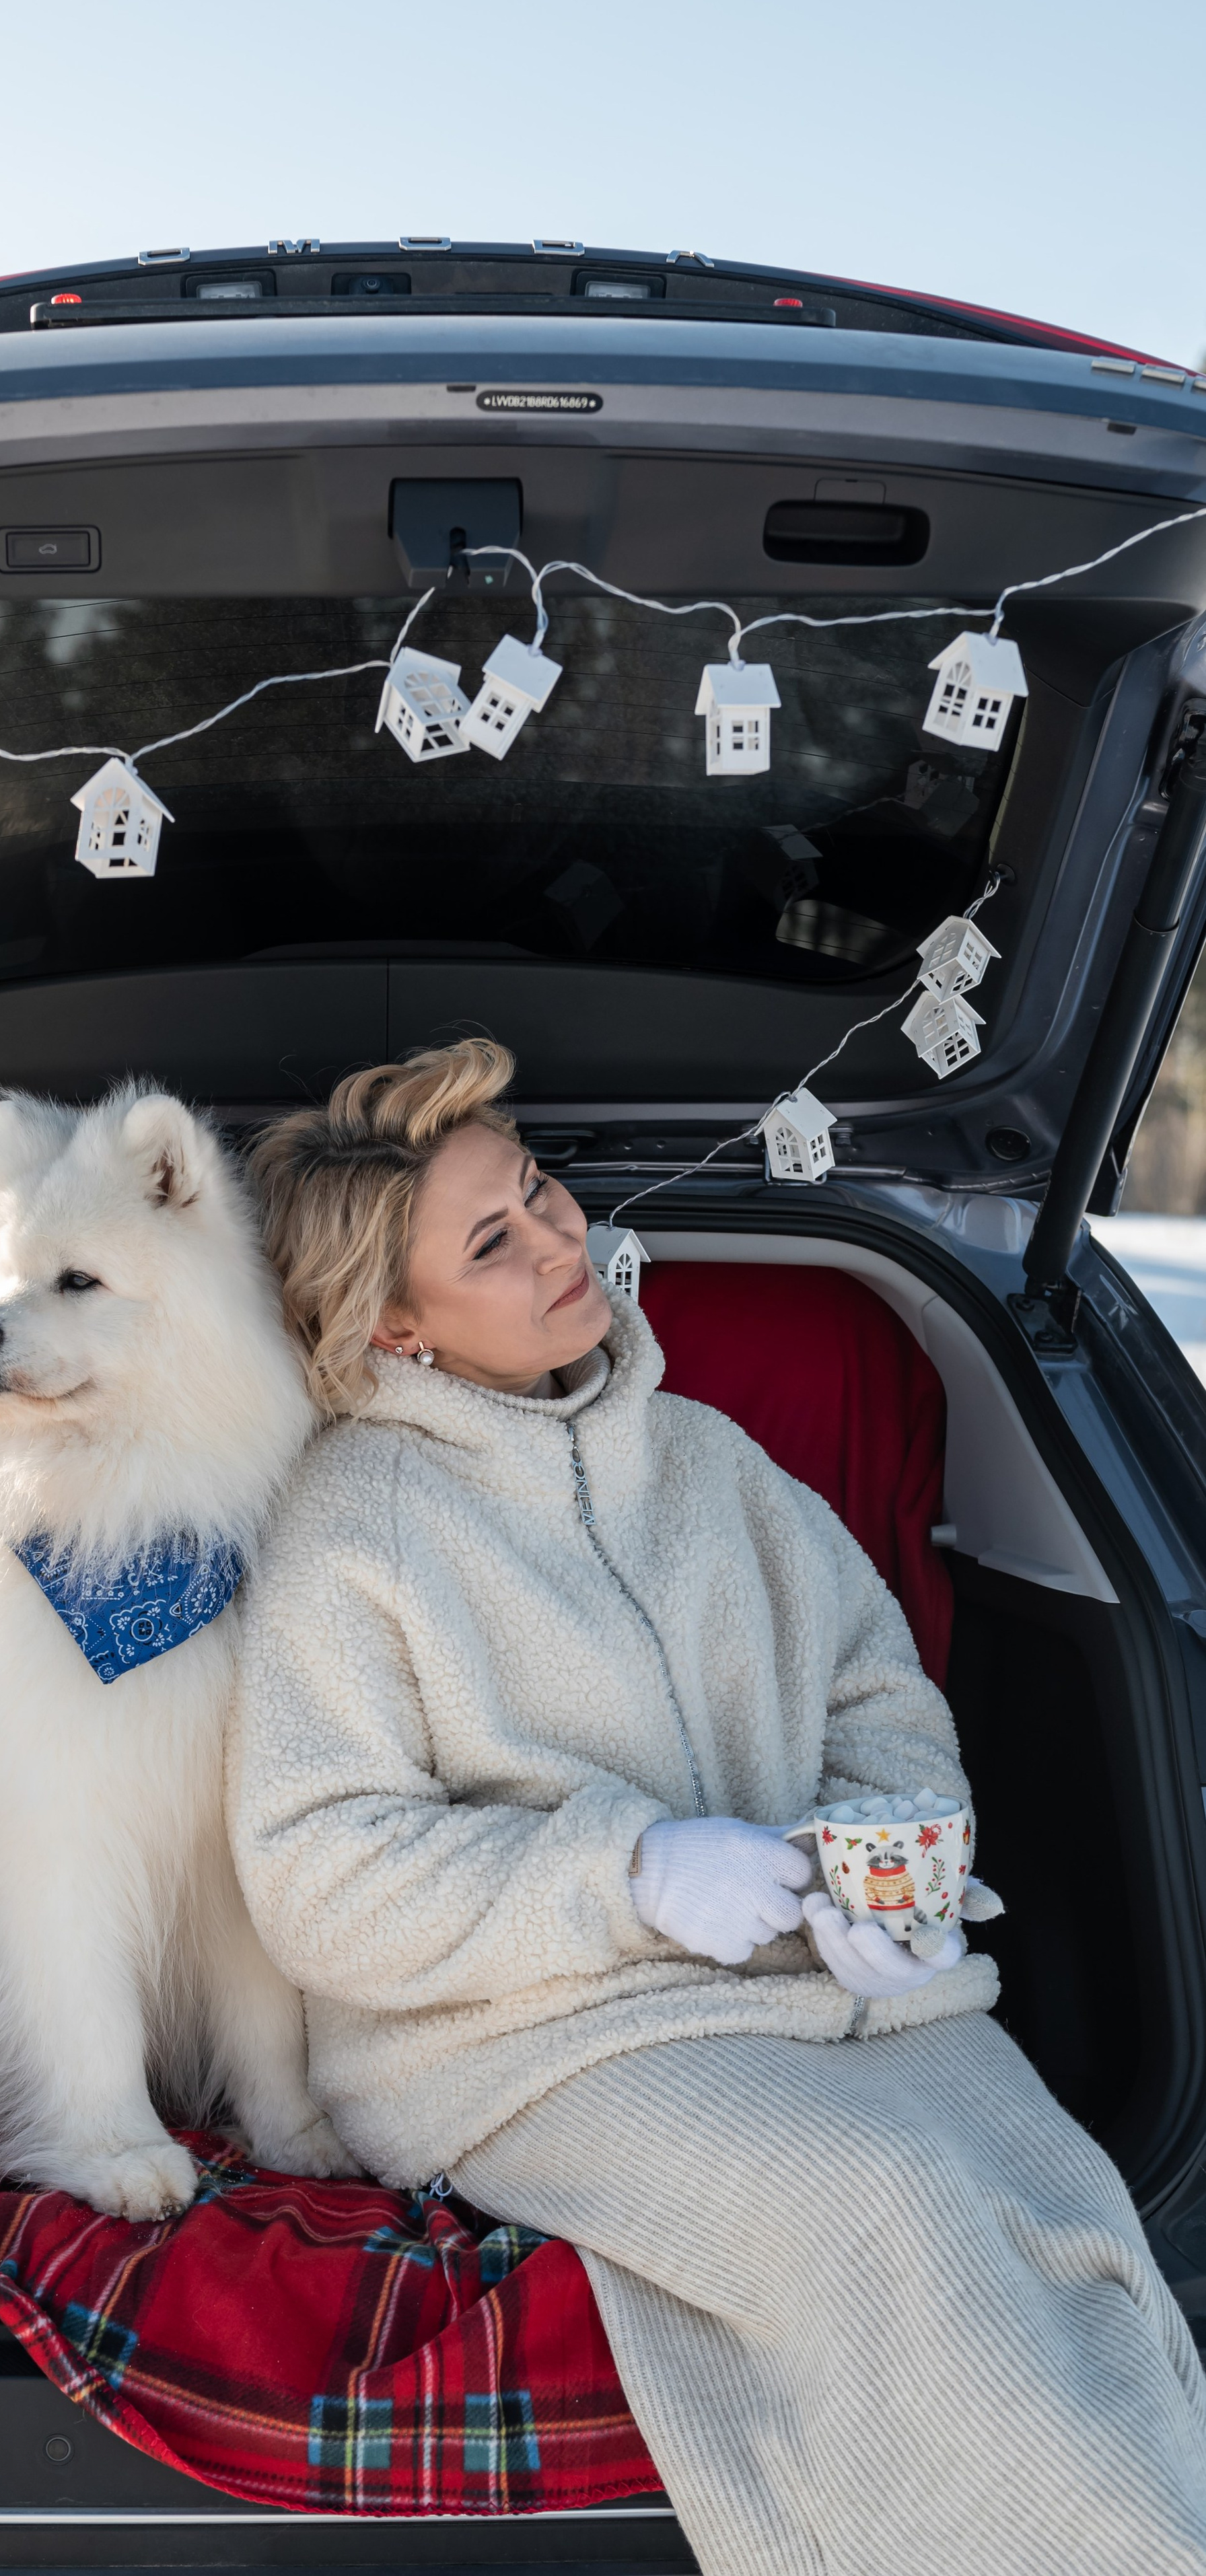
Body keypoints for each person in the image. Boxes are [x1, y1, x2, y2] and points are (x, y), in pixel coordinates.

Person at [228, 1036, 1206, 2576]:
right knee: (880, 2209)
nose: (558, 1240)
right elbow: (315, 1873)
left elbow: (877, 1698)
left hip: (828, 1987)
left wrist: (882, 1876)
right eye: (493, 1241)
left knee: (1069, 2204)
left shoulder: (708, 1458)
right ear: (394, 1328)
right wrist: (625, 1875)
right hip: (526, 2042)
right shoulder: (349, 1532)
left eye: (539, 1192)